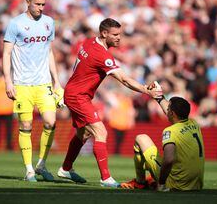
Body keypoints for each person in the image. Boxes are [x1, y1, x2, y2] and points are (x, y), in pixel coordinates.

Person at [57, 18, 160, 188]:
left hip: (76, 92)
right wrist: (145, 90)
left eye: (120, 34)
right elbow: (124, 80)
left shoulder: (89, 42)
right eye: (115, 34)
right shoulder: (102, 55)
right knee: (100, 132)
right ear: (104, 34)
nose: (119, 37)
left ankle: (66, 168)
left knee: (83, 134)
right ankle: (106, 178)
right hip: (78, 96)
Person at [3, 0, 64, 182]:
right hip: (22, 84)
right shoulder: (15, 24)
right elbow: (6, 53)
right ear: (27, 1)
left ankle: (41, 164)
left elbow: (49, 52)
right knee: (26, 125)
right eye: (37, 4)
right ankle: (29, 169)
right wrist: (8, 81)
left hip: (43, 82)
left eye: (43, 4)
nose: (41, 8)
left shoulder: (48, 23)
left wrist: (57, 81)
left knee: (50, 122)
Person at [121, 86, 205, 191]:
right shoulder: (195, 124)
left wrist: (161, 183)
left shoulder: (170, 131)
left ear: (172, 113)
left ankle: (140, 182)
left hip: (175, 184)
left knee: (141, 138)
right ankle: (150, 180)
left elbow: (169, 160)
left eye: (168, 109)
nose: (166, 110)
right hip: (196, 184)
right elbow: (172, 112)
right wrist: (159, 97)